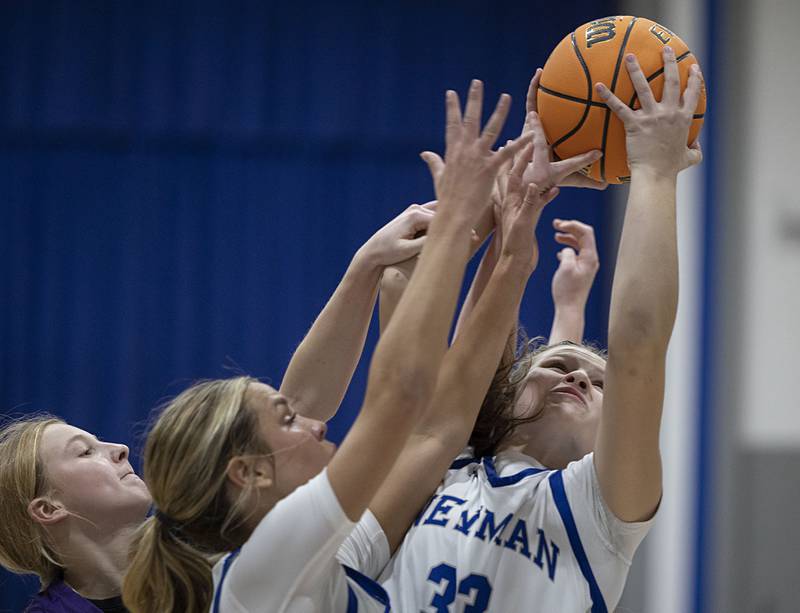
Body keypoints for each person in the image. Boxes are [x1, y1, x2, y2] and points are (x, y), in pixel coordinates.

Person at [121, 80, 536, 613]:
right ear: (249, 473)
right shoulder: (259, 573)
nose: (316, 424)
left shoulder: (314, 559)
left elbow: (435, 431)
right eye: (288, 420)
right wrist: (457, 219)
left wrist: (510, 233)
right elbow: (402, 397)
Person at [372, 47, 704, 612]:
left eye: (601, 383)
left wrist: (654, 171)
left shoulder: (600, 513)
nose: (580, 377)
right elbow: (454, 328)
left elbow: (639, 348)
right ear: (505, 395)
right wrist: (511, 205)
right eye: (558, 365)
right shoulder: (442, 462)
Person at [0, 198, 451, 612]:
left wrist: (367, 264)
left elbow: (296, 412)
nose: (118, 448)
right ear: (47, 508)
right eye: (84, 451)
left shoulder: (197, 544)